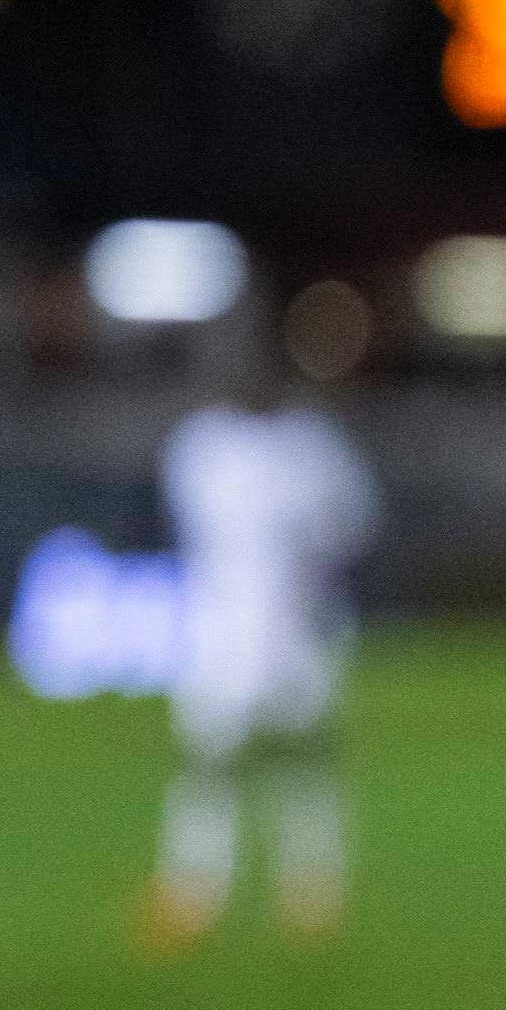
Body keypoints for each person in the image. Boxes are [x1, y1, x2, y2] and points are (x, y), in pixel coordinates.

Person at [147, 337, 375, 948]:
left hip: (297, 629)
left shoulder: (307, 448)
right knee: (211, 764)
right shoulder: (208, 446)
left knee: (303, 760)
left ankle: (311, 887)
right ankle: (194, 889)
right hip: (224, 633)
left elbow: (351, 530)